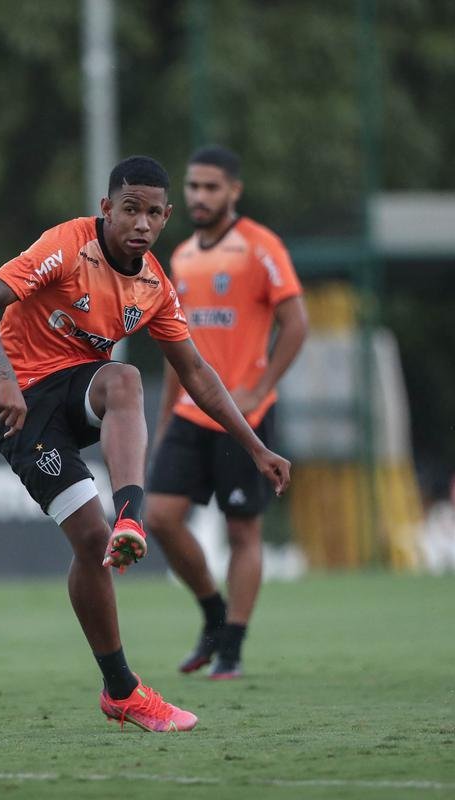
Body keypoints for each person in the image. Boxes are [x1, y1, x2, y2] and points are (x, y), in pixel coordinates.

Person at [0, 155, 291, 731]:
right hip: (19, 405)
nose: (141, 223)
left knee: (127, 378)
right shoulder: (65, 246)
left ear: (165, 219)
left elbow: (198, 374)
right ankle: (121, 690)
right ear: (106, 209)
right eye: (130, 209)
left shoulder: (154, 284)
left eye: (154, 214)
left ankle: (129, 518)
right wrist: (6, 380)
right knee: (88, 539)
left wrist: (255, 445)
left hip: (78, 390)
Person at [143, 146, 307, 680]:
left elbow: (297, 323)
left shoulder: (261, 247)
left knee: (242, 533)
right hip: (191, 413)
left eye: (211, 187)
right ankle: (213, 611)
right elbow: (176, 346)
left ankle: (232, 646)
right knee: (160, 518)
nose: (199, 196)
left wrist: (259, 390)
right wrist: (165, 415)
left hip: (243, 417)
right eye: (193, 186)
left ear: (234, 191)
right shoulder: (183, 257)